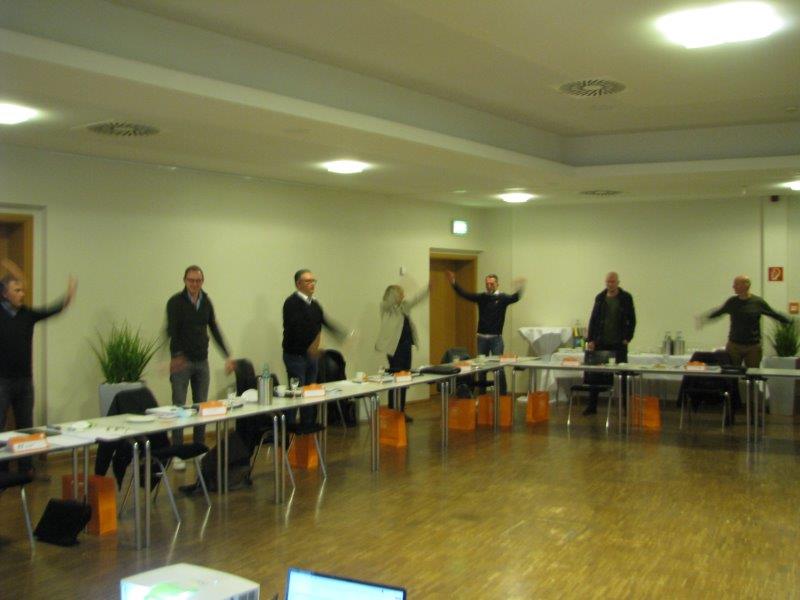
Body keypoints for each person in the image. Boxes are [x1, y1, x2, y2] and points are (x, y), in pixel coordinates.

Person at [0, 258, 77, 475]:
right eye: (17, 290)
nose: (22, 294)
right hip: (2, 381)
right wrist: (13, 269)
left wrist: (68, 296)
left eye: (22, 291)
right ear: (5, 293)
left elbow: (52, 310)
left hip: (25, 381)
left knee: (26, 426)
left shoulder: (27, 314)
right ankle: (2, 470)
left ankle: (26, 468)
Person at [166, 265, 234, 465]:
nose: (194, 284)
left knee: (202, 407)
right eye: (191, 280)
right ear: (185, 281)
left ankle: (198, 448)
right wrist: (177, 355)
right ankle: (178, 453)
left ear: (202, 282)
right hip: (181, 363)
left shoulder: (206, 301)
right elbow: (172, 330)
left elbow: (214, 328)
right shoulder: (175, 302)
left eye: (198, 281)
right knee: (179, 407)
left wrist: (227, 355)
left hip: (201, 361)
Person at [282, 269, 347, 425]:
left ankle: (308, 427)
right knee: (297, 394)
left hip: (311, 356)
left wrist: (342, 335)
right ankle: (288, 429)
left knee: (311, 393)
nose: (312, 284)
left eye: (313, 281)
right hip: (295, 356)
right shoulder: (291, 303)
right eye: (308, 281)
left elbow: (324, 322)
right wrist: (310, 346)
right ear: (298, 284)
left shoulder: (315, 304)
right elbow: (295, 328)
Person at [446, 271, 525, 394]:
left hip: (496, 338)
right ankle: (481, 394)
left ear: (497, 284)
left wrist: (520, 286)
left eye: (491, 284)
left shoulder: (503, 298)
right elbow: (465, 294)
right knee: (481, 368)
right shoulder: (482, 297)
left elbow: (515, 298)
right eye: (487, 284)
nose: (489, 286)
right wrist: (454, 283)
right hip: (481, 338)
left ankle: (502, 394)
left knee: (499, 367)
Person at [699, 275, 790, 368]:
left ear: (746, 285)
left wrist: (787, 321)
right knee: (732, 372)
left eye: (736, 284)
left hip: (753, 346)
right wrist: (705, 318)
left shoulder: (758, 302)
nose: (733, 286)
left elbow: (772, 313)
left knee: (753, 372)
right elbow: (719, 312)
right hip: (734, 345)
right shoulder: (732, 302)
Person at [375, 281, 429, 422]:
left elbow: (416, 299)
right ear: (393, 294)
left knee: (404, 379)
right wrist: (395, 293)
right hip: (395, 349)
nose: (403, 296)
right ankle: (393, 411)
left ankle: (401, 411)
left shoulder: (404, 307)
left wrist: (427, 289)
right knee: (395, 380)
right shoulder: (386, 307)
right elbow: (389, 302)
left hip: (406, 347)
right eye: (400, 293)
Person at [584, 271, 636, 415]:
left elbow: (632, 320)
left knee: (623, 375)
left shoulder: (626, 298)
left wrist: (628, 337)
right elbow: (593, 319)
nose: (610, 284)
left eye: (612, 282)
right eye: (608, 282)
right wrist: (591, 339)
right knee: (595, 375)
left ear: (618, 283)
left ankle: (625, 407)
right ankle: (592, 406)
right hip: (601, 342)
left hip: (619, 344)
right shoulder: (600, 298)